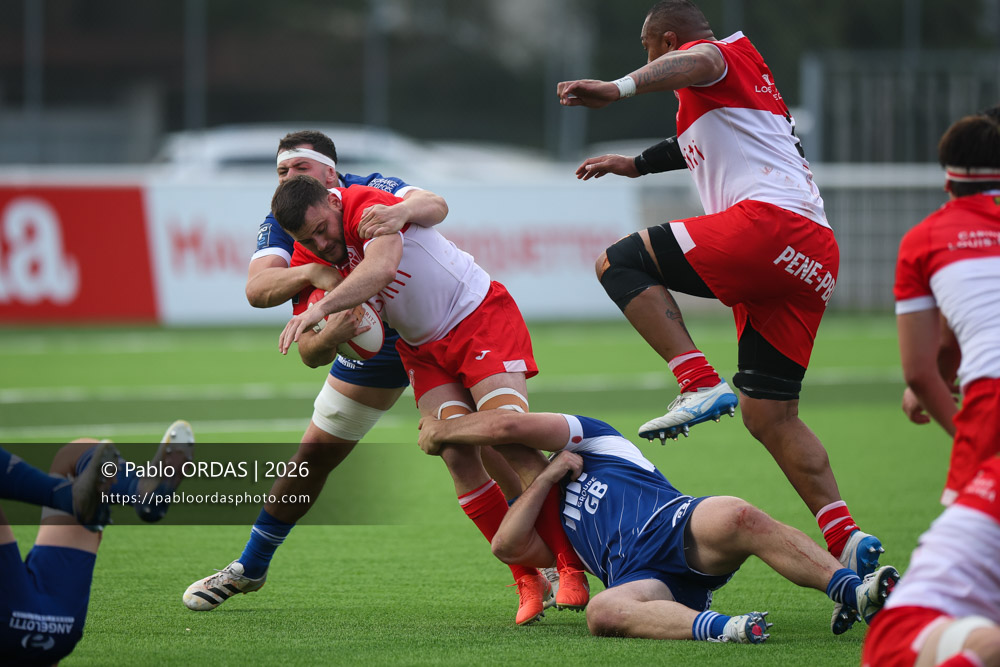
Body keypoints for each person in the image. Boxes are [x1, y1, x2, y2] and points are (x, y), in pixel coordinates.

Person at [555, 0, 883, 577]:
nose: (647, 57)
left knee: (618, 263)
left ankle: (697, 380)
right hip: (811, 256)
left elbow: (698, 60)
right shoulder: (732, 99)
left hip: (771, 227)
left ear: (665, 40)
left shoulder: (722, 53)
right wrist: (633, 164)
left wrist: (619, 86)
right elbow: (695, 148)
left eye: (647, 47)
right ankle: (846, 536)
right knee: (770, 415)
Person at [184, 131, 537, 620]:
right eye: (281, 171)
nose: (287, 179)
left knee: (491, 440)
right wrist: (311, 278)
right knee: (313, 457)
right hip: (363, 339)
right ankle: (250, 566)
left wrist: (402, 211)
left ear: (329, 174)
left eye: (298, 169)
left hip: (426, 326)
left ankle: (546, 556)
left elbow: (433, 204)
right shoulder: (286, 220)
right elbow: (258, 288)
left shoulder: (371, 188)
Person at [267, 174, 590, 625]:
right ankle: (526, 576)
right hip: (422, 349)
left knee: (508, 438)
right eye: (308, 239)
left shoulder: (365, 205)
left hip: (476, 315)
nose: (321, 243)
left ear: (333, 202)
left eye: (323, 228)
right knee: (455, 453)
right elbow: (307, 353)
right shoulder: (309, 255)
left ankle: (570, 564)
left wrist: (322, 310)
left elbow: (380, 269)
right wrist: (329, 334)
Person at [417, 409, 900, 640]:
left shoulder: (597, 441)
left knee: (739, 513)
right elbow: (505, 546)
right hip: (643, 581)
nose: (515, 451)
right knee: (601, 613)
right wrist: (545, 480)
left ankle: (853, 591)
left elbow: (508, 428)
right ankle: (729, 629)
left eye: (524, 450)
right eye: (511, 456)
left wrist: (441, 430)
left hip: (679, 526)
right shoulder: (551, 529)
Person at [860, 108, 1000, 667]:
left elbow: (919, 369)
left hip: (989, 405)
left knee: (901, 639)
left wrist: (965, 430)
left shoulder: (925, 238)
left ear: (946, 178)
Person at [1, 421, 194, 665]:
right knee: (78, 454)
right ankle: (138, 491)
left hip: (30, 629)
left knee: (79, 452)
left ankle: (131, 491)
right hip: (57, 624)